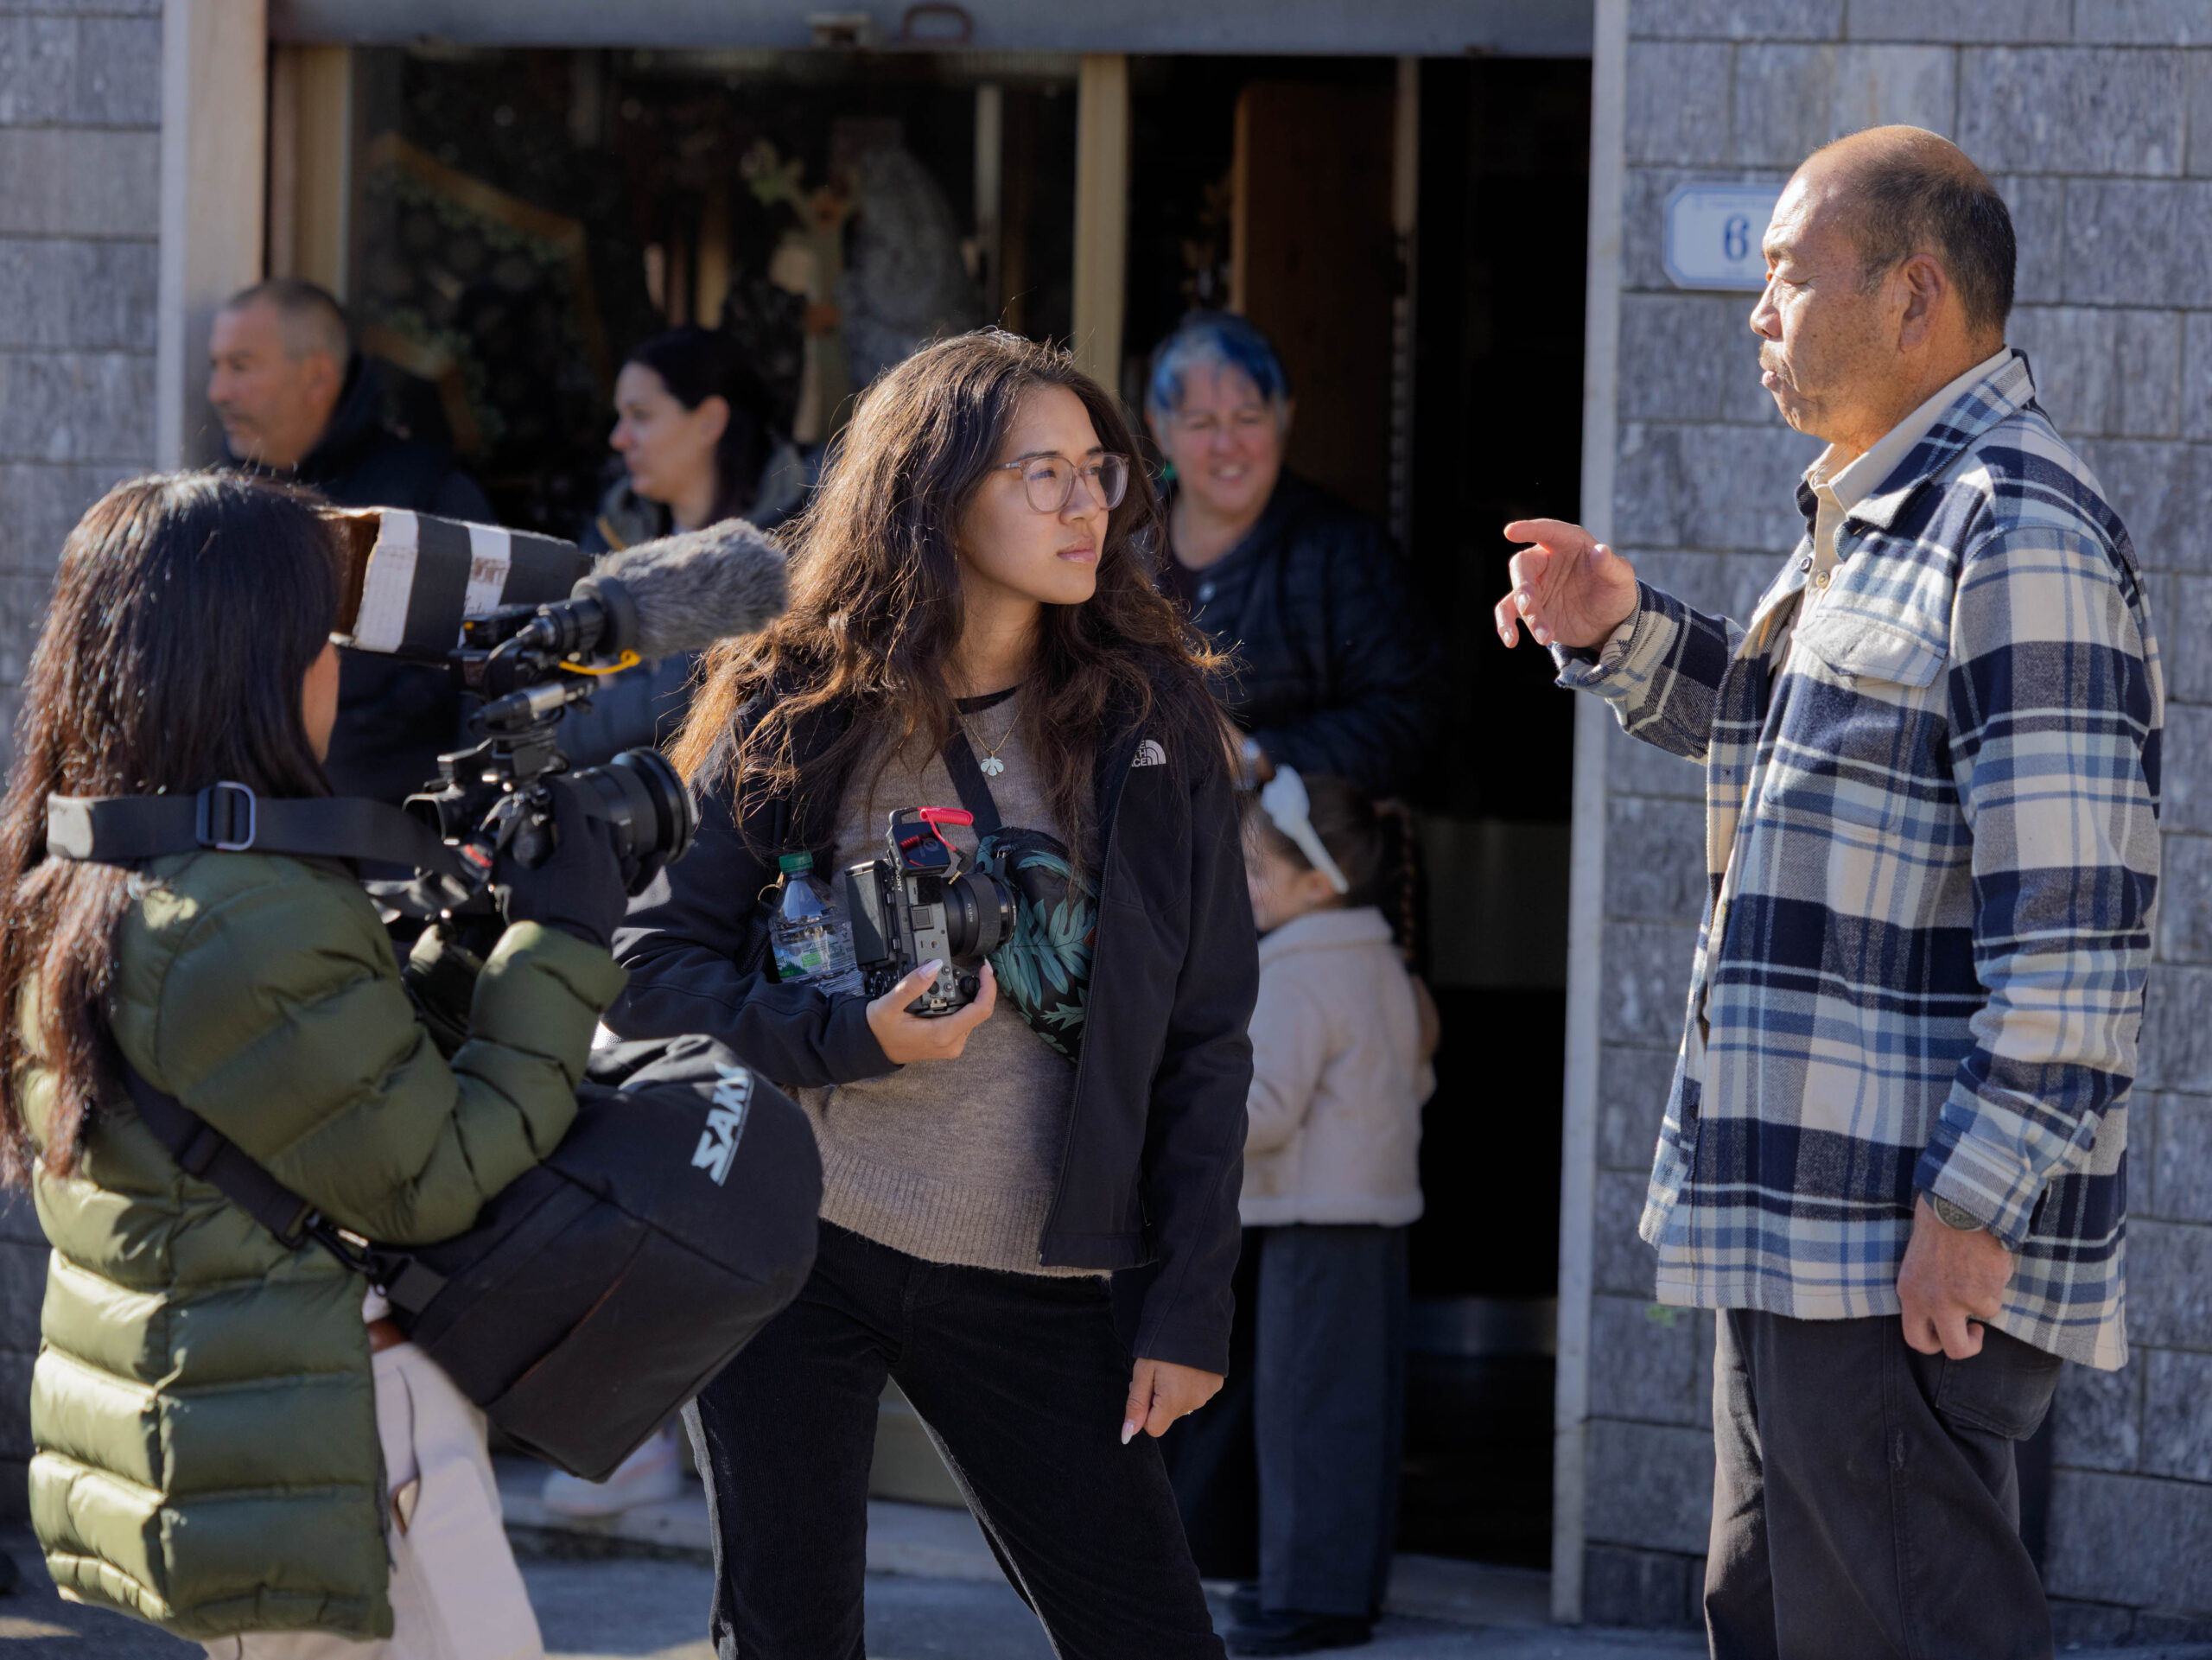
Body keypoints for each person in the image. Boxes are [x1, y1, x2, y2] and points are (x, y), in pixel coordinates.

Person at [1496, 128, 2159, 1659]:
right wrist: (1622, 632)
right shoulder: (1884, 516)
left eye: (1790, 275)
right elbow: (1805, 743)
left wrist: (1972, 1210)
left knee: (1906, 1626)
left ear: (1918, 294)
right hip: (1799, 1224)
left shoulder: (2017, 530)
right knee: (1777, 1613)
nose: (1759, 310)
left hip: (1898, 1241)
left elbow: (2075, 935)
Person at [606, 328, 1256, 1659]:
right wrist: (848, 1037)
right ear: (937, 492)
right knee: (790, 1639)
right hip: (795, 1240)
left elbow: (1204, 1032)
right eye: (1042, 475)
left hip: (1033, 1265)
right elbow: (655, 974)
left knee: (1151, 1636)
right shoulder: (802, 700)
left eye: (1098, 473)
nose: (1087, 507)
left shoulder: (1152, 725)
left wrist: (1189, 1303)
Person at [0, 473, 632, 1656]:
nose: (339, 669)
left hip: (235, 1426)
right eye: (321, 639)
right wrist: (567, 939)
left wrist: (469, 941)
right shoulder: (235, 912)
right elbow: (432, 1172)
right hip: (341, 1436)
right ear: (257, 665)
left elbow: (330, 1087)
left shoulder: (72, 876)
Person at [1216, 771, 1432, 1657]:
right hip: (1375, 1212)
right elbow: (1418, 1074)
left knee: (1303, 1412)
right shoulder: (1380, 959)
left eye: (1258, 873)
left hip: (1312, 1214)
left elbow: (1262, 1112)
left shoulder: (1300, 969)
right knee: (1354, 1411)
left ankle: (1310, 1599)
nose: (1247, 889)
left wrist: (1184, 1115)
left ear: (1318, 881)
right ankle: (1341, 1585)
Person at [208, 277, 496, 806]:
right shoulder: (212, 506)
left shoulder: (428, 497)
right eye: (216, 366)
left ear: (317, 376)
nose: (217, 392)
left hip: (391, 849)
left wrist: (463, 839)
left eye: (240, 366)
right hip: (238, 844)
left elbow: (489, 678)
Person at [1143, 312, 1440, 799]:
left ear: (1285, 417)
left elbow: (1411, 714)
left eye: (1249, 418)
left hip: (1289, 859)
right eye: (1201, 423)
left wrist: (1260, 758)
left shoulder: (1344, 550)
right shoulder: (1118, 541)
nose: (1226, 445)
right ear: (1162, 430)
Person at [554, 327, 814, 787]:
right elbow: (563, 720)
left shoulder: (800, 543)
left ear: (710, 421)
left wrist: (610, 692)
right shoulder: (608, 537)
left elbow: (705, 702)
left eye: (640, 415)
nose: (619, 438)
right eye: (621, 416)